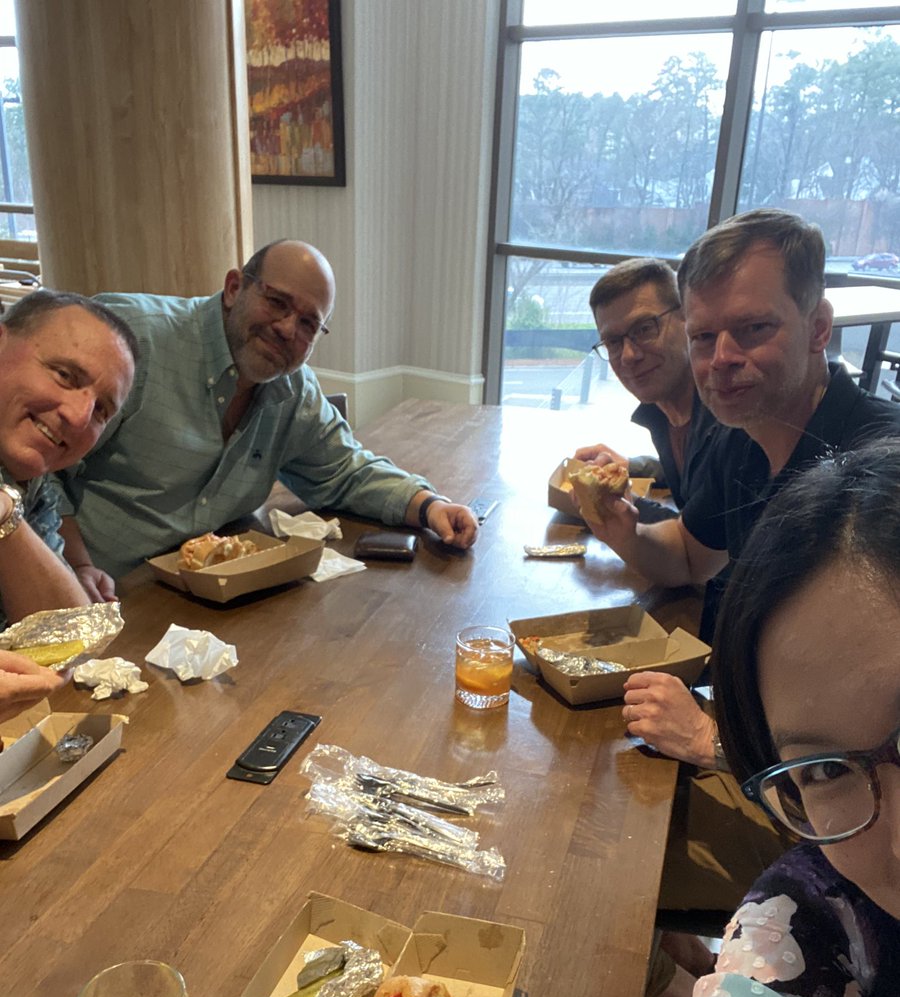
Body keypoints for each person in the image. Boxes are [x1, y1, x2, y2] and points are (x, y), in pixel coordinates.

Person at [545, 439, 900, 997]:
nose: (899, 843)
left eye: (748, 327)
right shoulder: (814, 918)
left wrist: (711, 740)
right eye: (826, 767)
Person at [581, 210, 900, 772]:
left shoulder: (881, 468)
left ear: (818, 327)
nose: (721, 359)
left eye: (754, 329)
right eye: (703, 337)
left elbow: (874, 733)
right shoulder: (742, 437)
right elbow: (687, 556)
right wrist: (625, 533)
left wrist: (712, 741)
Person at [55, 240, 478, 596]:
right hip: (89, 596)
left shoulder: (292, 391)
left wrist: (428, 506)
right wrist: (74, 566)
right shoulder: (132, 339)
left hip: (199, 598)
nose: (287, 328)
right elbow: (38, 471)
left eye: (310, 323)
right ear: (234, 288)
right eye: (276, 302)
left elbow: (345, 470)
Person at [0, 288, 136, 713]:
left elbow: (66, 638)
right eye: (65, 375)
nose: (79, 416)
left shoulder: (30, 481)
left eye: (100, 411)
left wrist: (3, 512)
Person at [575, 257, 720, 524]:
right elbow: (693, 476)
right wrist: (628, 467)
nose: (628, 355)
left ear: (686, 319)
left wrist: (611, 501)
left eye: (644, 329)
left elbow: (697, 540)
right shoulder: (663, 410)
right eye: (613, 342)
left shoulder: (725, 417)